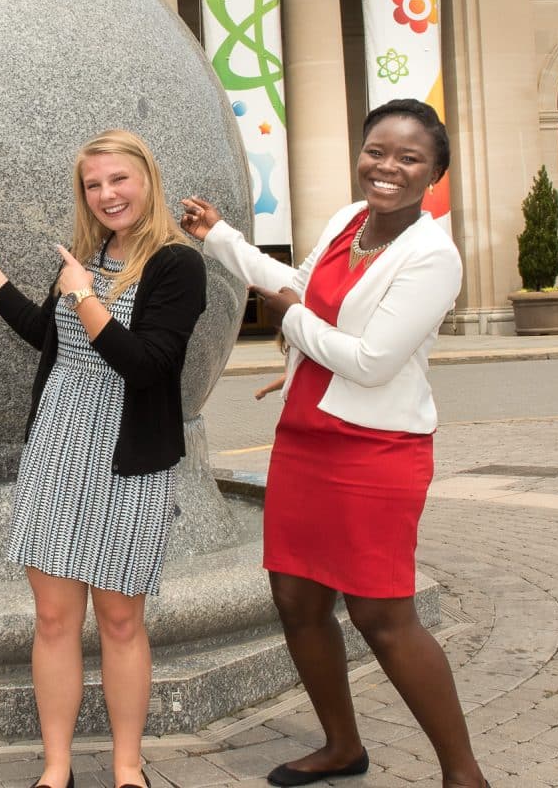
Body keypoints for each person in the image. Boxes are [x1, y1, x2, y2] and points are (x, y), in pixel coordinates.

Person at [180, 99, 488, 788]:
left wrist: (292, 327)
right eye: (377, 150)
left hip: (375, 452)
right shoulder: (349, 221)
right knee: (296, 600)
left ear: (433, 175)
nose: (387, 167)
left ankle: (464, 775)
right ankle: (342, 746)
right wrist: (219, 235)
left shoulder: (433, 256)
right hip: (306, 438)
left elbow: (373, 360)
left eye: (409, 158)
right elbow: (298, 286)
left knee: (384, 616)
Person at [0, 129, 207, 788]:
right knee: (53, 619)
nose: (106, 195)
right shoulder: (89, 256)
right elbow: (52, 337)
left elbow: (147, 365)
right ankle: (57, 768)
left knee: (122, 620)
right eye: (93, 185)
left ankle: (128, 769)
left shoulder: (179, 264)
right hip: (59, 448)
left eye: (118, 180)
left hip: (130, 457)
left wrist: (83, 295)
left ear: (147, 178)